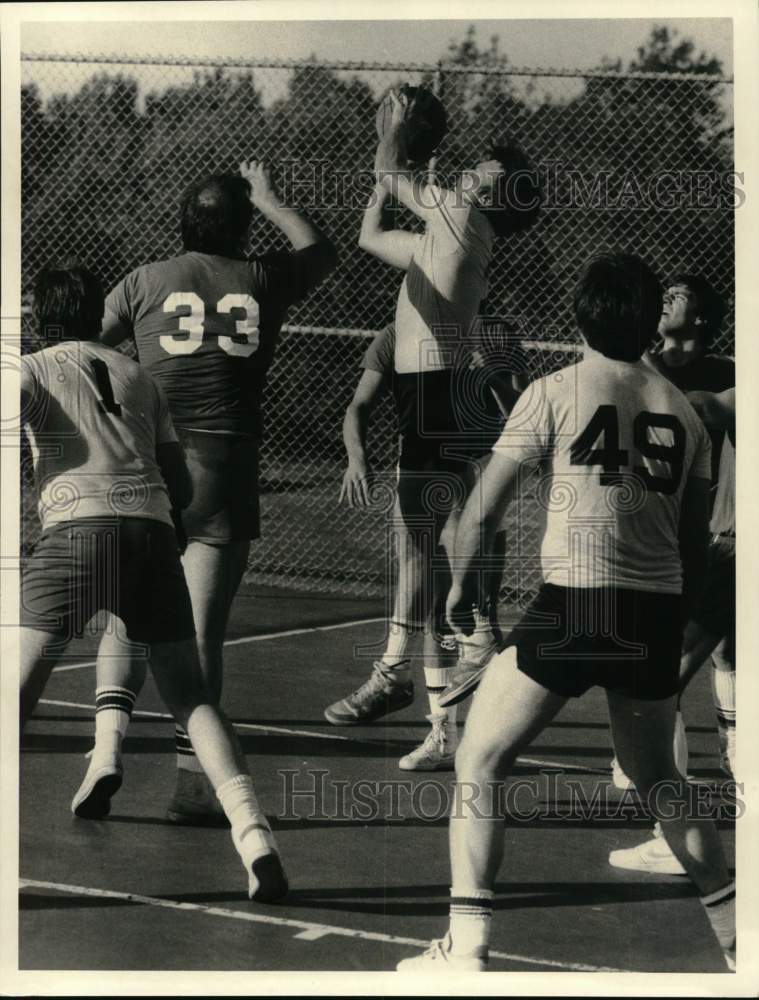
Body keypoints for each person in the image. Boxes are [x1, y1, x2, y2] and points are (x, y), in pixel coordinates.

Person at [397, 253, 735, 971]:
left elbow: (481, 508)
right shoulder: (683, 411)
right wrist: (673, 622)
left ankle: (466, 944)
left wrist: (460, 588)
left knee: (480, 761)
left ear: (579, 313)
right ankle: (741, 935)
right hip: (653, 612)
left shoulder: (552, 390)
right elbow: (692, 540)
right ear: (649, 325)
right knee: (661, 780)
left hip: (575, 604)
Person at [73, 162, 337, 825]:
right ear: (243, 229)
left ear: (183, 222)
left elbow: (81, 354)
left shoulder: (144, 281)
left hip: (154, 463)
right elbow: (321, 251)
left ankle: (105, 750)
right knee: (200, 635)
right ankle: (194, 784)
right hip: (226, 467)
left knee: (126, 612)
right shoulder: (261, 279)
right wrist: (273, 197)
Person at [20, 263, 287, 902]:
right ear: (94, 315)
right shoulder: (139, 376)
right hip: (152, 534)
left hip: (78, 531)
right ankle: (255, 838)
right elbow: (182, 484)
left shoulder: (31, 368)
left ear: (39, 318)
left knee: (15, 691)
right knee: (192, 697)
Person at [325, 88, 540, 733]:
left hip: (438, 395)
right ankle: (449, 660)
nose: (473, 167)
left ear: (496, 194)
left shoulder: (464, 217)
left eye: (487, 170)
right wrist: (398, 163)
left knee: (420, 549)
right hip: (431, 395)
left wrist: (397, 125)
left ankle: (404, 672)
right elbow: (369, 232)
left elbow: (389, 173)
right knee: (422, 548)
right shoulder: (442, 235)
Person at [333, 320, 519, 769]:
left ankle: (483, 719)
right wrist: (357, 458)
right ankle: (438, 726)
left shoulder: (493, 334)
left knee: (473, 621)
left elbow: (523, 414)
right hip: (420, 463)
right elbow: (359, 405)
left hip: (478, 467)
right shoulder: (397, 335)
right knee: (434, 599)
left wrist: (492, 373)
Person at [610, 274, 734, 790]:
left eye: (678, 295)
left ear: (702, 317)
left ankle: (701, 764)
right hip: (654, 530)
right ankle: (654, 761)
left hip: (712, 533)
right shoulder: (636, 366)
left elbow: (709, 413)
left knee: (718, 652)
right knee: (665, 649)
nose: (665, 299)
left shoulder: (727, 376)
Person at [610, 385, 736, 875]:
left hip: (739, 545)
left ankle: (673, 840)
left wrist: (635, 395)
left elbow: (711, 406)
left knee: (660, 677)